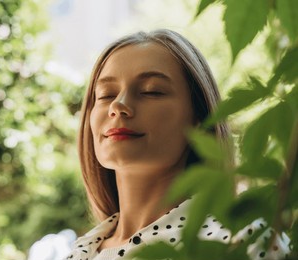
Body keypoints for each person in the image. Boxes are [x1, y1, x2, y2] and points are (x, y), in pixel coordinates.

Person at [65, 29, 290, 260]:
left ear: (199, 119)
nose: (119, 105)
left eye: (151, 91)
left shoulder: (242, 241)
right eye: (105, 94)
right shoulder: (79, 252)